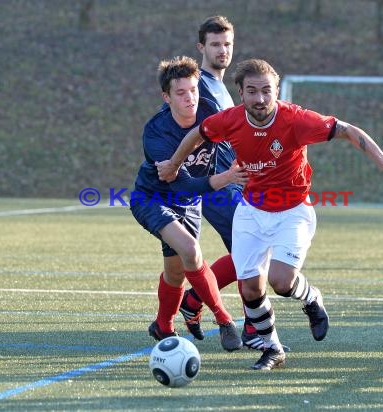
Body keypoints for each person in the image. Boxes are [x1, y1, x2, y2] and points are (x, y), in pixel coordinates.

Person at [157, 58, 383, 370]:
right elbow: (198, 133)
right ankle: (273, 348)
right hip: (251, 211)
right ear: (240, 93)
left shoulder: (296, 119)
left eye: (267, 91)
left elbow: (347, 130)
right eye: (252, 91)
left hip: (293, 211)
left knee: (280, 281)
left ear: (276, 91)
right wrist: (173, 163)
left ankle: (311, 298)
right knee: (251, 286)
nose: (260, 98)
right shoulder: (230, 120)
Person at [129, 55, 248, 352]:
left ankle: (163, 326)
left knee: (176, 272)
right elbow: (179, 182)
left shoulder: (211, 113)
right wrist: (225, 179)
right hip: (153, 198)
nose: (189, 98)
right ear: (166, 97)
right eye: (180, 93)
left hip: (190, 204)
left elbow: (243, 138)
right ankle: (224, 321)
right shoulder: (156, 132)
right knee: (191, 250)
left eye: (193, 90)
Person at [173, 15, 272, 351]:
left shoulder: (220, 86)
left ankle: (194, 300)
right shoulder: (199, 88)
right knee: (252, 249)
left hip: (235, 180)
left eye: (227, 44)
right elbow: (189, 133)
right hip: (216, 184)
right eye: (215, 44)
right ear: (201, 47)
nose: (222, 50)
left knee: (250, 250)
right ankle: (253, 330)